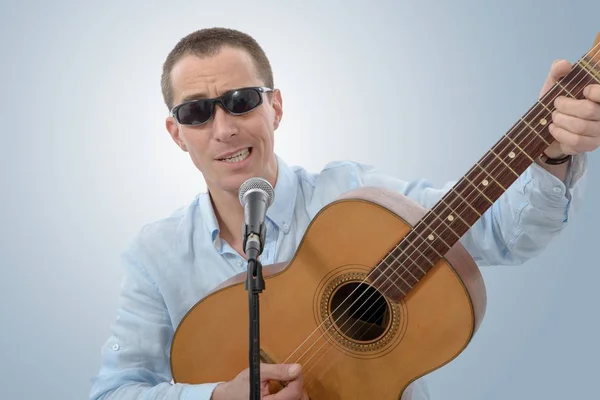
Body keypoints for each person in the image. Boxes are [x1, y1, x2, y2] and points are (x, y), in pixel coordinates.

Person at [89, 27, 600, 400]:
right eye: (197, 112)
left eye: (241, 101)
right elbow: (113, 393)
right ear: (177, 133)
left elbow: (505, 233)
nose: (223, 129)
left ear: (276, 108)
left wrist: (550, 152)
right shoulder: (155, 255)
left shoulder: (355, 198)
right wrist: (217, 398)